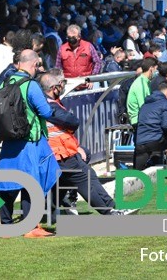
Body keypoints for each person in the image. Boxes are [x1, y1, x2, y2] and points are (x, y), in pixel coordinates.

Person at [0, 50, 59, 237]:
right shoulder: (30, 85)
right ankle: (30, 226)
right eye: (38, 65)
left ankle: (6, 224)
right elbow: (45, 111)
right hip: (29, 141)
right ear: (33, 65)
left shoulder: (8, 81)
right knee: (33, 183)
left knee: (7, 182)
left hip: (10, 139)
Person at [40, 69, 123, 215]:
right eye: (62, 83)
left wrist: (77, 147)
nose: (64, 86)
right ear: (54, 88)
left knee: (76, 177)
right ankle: (108, 211)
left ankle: (50, 212)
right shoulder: (49, 105)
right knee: (84, 180)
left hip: (61, 153)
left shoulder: (48, 103)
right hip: (60, 154)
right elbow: (72, 122)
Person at [134, 82, 167, 171]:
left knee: (141, 156)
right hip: (155, 139)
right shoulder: (166, 103)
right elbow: (166, 124)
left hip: (140, 141)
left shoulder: (145, 105)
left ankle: (136, 173)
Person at [126, 57, 157, 125]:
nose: (156, 72)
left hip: (144, 118)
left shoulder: (146, 82)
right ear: (151, 68)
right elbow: (143, 106)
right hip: (138, 120)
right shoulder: (140, 84)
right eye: (156, 69)